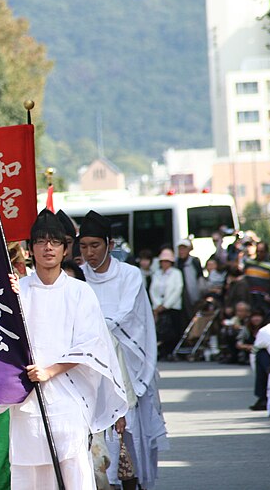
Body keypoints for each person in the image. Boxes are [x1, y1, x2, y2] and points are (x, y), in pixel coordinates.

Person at [2, 210, 127, 489]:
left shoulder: (79, 291)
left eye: (55, 242)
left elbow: (90, 344)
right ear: (30, 248)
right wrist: (7, 297)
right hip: (27, 395)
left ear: (64, 248)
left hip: (68, 393)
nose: (48, 247)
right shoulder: (19, 290)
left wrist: (50, 371)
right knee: (27, 468)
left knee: (72, 467)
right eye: (41, 241)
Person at [79, 210, 168, 490]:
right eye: (83, 246)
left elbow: (129, 315)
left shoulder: (130, 274)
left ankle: (133, 481)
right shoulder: (79, 276)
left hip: (127, 364)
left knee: (130, 432)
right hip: (90, 363)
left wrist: (95, 330)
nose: (89, 253)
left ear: (110, 245)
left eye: (95, 246)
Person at [149, 248, 184, 359]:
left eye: (167, 261)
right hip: (159, 307)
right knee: (160, 330)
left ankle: (171, 352)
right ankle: (162, 352)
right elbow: (152, 290)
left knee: (172, 331)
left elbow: (178, 289)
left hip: (172, 307)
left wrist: (166, 305)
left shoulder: (176, 273)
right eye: (163, 261)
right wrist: (158, 304)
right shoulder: (157, 273)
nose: (165, 263)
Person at [243, 241, 270, 312]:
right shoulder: (249, 263)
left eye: (262, 251)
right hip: (249, 295)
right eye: (257, 251)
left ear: (266, 252)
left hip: (262, 297)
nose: (259, 253)